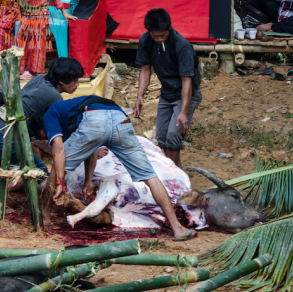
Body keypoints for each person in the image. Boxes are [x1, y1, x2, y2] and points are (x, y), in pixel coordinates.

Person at [36, 94, 195, 239]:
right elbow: (91, 148)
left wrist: (59, 181)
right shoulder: (72, 111)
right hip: (120, 119)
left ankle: (45, 218)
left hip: (93, 119)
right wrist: (88, 181)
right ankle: (178, 228)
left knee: (56, 169)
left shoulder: (50, 113)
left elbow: (58, 148)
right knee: (150, 176)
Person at [0, 57, 84, 210]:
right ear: (62, 81)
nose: (77, 84)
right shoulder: (55, 98)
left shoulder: (39, 80)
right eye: (75, 80)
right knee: (39, 174)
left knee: (8, 163)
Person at [134, 8, 202, 170]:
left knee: (173, 134)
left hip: (186, 93)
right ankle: (173, 168)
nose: (158, 39)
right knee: (163, 135)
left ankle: (174, 170)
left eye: (162, 35)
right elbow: (145, 69)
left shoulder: (181, 45)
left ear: (169, 29)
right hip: (167, 93)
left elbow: (187, 80)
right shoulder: (145, 40)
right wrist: (140, 96)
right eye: (155, 36)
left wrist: (183, 111)